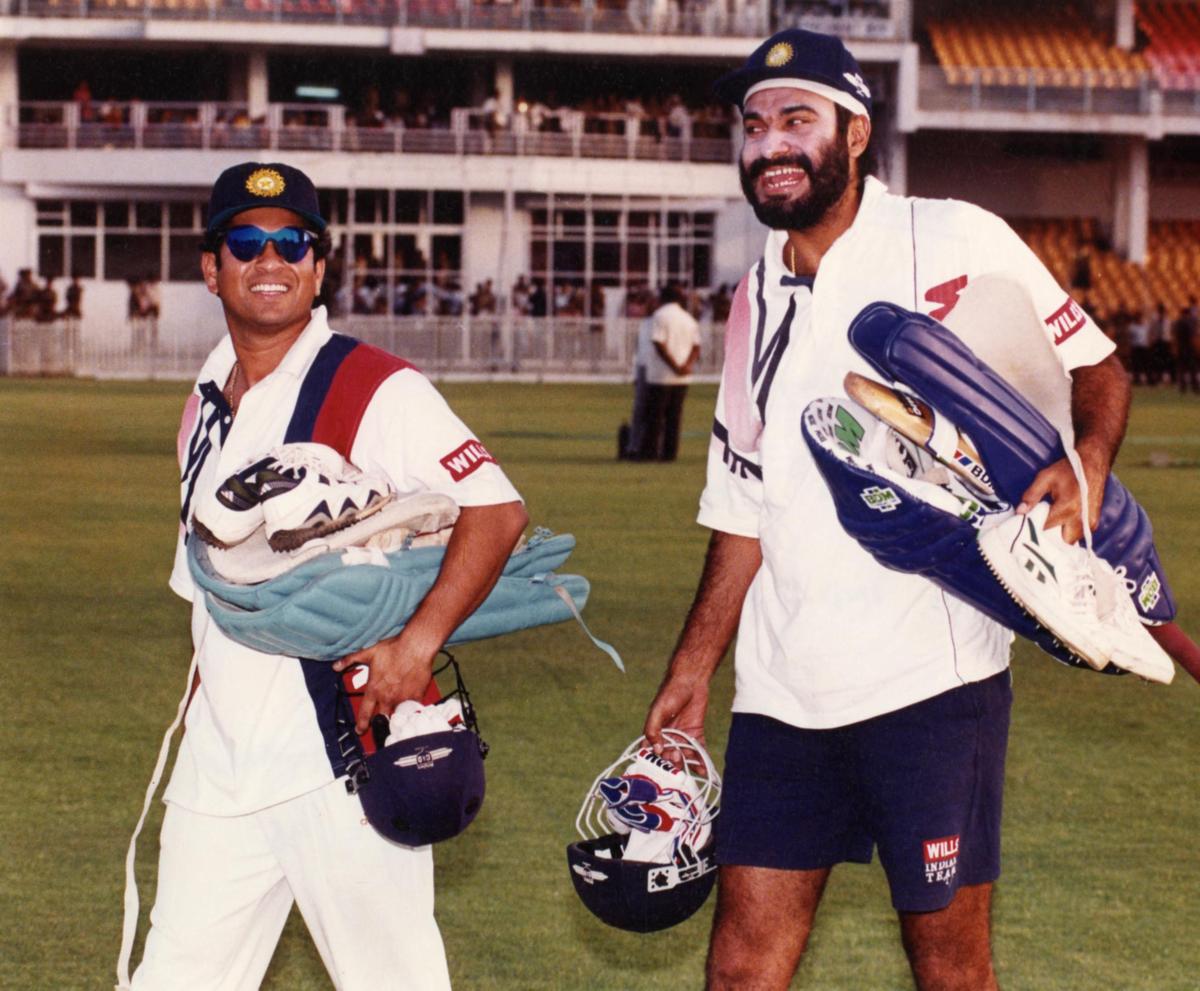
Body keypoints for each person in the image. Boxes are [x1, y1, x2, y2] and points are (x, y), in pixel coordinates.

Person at [642, 29, 1129, 991]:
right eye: (752, 125)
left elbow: (1097, 366)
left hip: (932, 683)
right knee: (741, 968)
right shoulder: (752, 299)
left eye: (796, 119)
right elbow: (744, 498)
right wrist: (693, 665)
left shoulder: (954, 237)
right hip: (784, 689)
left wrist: (1088, 459)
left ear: (855, 132)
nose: (770, 142)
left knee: (948, 966)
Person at [128, 162, 528, 990]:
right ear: (212, 266)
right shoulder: (207, 393)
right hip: (220, 764)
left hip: (339, 759)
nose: (269, 258)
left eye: (292, 242)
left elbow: (496, 509)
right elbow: (206, 590)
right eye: (247, 241)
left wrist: (419, 645)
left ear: (318, 266)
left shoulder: (371, 383)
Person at [638, 283, 701, 461]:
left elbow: (659, 343)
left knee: (655, 417)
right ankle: (669, 453)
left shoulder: (660, 316)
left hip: (660, 376)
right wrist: (685, 366)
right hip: (682, 377)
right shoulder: (688, 319)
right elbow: (696, 346)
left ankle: (650, 453)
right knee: (674, 417)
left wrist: (673, 365)